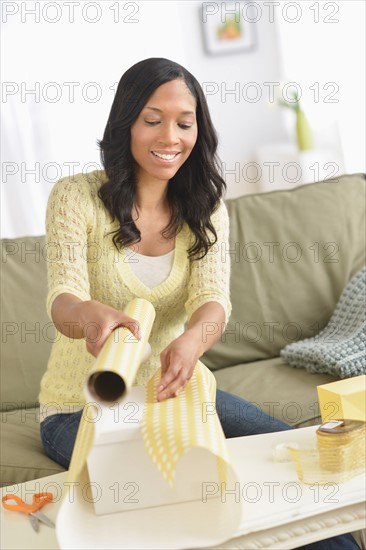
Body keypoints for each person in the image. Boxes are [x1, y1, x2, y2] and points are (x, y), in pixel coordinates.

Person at [39, 58, 358, 550]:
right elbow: (64, 297)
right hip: (83, 406)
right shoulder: (76, 197)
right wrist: (87, 316)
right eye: (152, 120)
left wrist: (193, 341)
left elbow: (212, 300)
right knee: (174, 492)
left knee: (293, 460)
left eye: (184, 123)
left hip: (178, 393)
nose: (171, 136)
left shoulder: (204, 207)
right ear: (126, 122)